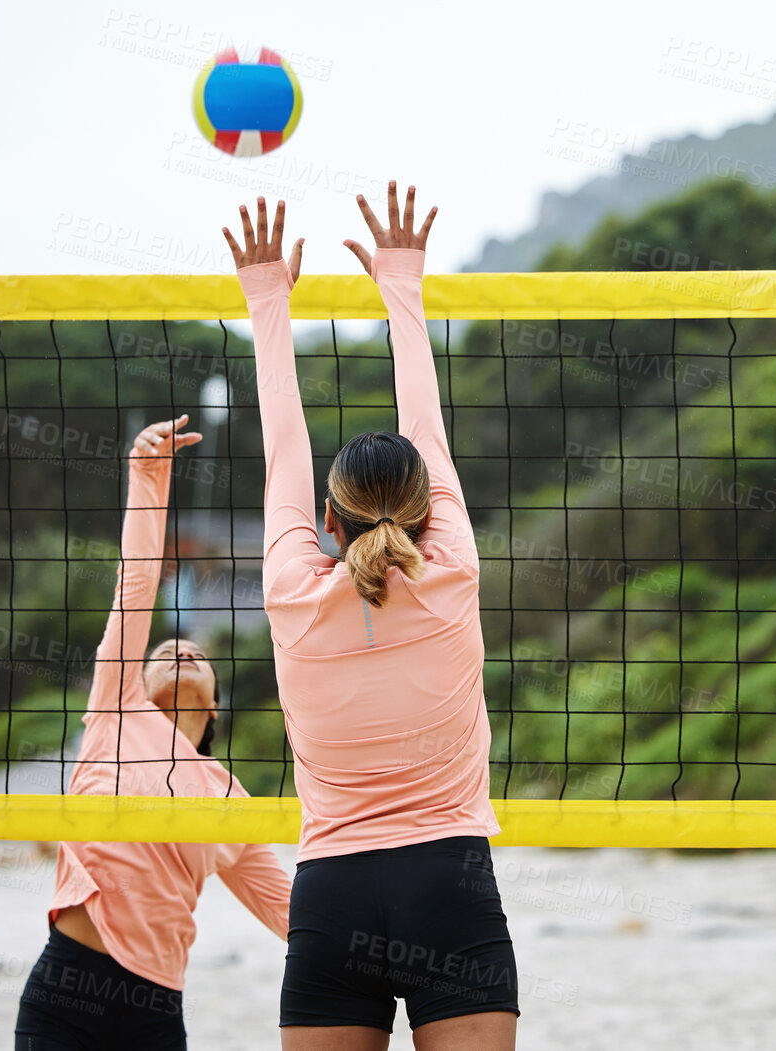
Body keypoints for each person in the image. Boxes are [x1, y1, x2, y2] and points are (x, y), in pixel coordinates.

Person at [225, 187, 517, 1050]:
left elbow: (283, 441)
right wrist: (402, 282)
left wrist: (265, 299)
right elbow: (423, 422)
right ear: (430, 508)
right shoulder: (453, 567)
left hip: (331, 897)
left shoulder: (290, 587)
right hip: (449, 884)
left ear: (327, 514)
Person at [14, 416, 292, 1050]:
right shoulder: (117, 708)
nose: (180, 651)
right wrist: (148, 475)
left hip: (156, 1007)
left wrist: (387, 959)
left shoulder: (229, 800)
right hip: (68, 987)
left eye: (195, 653)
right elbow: (136, 584)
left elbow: (293, 917)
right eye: (164, 650)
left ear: (216, 708)